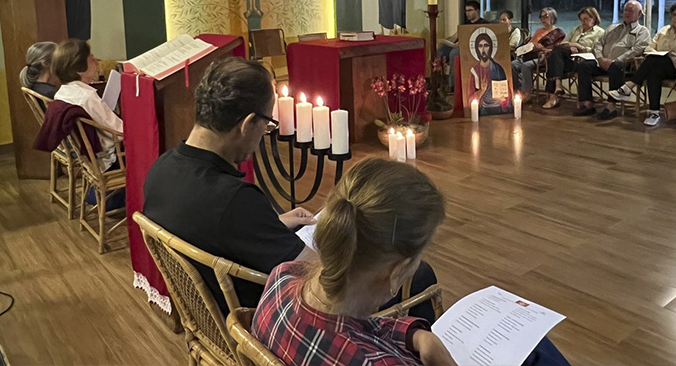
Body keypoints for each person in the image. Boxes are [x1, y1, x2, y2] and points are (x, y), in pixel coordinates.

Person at [252, 158, 572, 366]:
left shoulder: (283, 278)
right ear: (397, 272)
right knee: (536, 352)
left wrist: (414, 335)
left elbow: (357, 325)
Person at [144, 58, 318, 313]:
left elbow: (210, 229)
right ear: (247, 124)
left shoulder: (161, 168)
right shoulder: (234, 199)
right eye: (266, 125)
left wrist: (272, 225)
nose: (263, 134)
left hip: (207, 314)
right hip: (255, 317)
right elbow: (316, 273)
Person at [609, 2, 676, 127]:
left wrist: (673, 53)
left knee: (656, 61)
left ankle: (629, 86)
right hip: (658, 65)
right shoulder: (664, 30)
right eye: (673, 15)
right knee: (654, 71)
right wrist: (657, 53)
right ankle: (654, 113)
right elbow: (649, 47)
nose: (675, 18)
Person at [573, 0, 651, 120]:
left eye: (631, 11)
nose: (626, 13)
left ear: (639, 14)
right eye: (625, 10)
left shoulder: (642, 31)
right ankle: (587, 104)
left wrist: (615, 60)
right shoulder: (613, 28)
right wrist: (600, 58)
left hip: (624, 66)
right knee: (584, 66)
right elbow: (599, 43)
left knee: (617, 65)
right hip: (602, 62)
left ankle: (611, 107)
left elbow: (637, 50)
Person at [52, 39, 122, 171]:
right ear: (80, 69)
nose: (97, 62)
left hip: (87, 158)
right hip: (110, 160)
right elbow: (119, 132)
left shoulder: (61, 93)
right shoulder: (88, 97)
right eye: (92, 59)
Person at [542, 6, 605, 109]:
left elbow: (595, 50)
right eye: (581, 19)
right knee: (554, 56)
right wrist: (571, 46)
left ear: (593, 19)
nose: (583, 22)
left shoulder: (600, 32)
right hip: (569, 59)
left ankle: (554, 94)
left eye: (586, 19)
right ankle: (556, 88)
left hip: (584, 62)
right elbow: (563, 43)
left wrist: (578, 46)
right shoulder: (576, 29)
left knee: (554, 57)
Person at [511, 7, 564, 100]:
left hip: (543, 57)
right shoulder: (539, 30)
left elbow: (557, 49)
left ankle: (527, 93)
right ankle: (517, 90)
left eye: (546, 16)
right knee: (513, 64)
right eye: (541, 17)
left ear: (552, 17)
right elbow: (530, 43)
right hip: (530, 54)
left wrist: (542, 48)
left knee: (526, 66)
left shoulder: (558, 32)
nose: (543, 19)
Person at [437, 0, 487, 90]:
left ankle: (453, 85)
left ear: (477, 11)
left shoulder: (484, 23)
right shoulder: (464, 24)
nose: (467, 13)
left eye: (470, 10)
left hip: (472, 48)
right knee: (440, 52)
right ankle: (438, 83)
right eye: (466, 11)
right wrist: (443, 41)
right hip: (459, 45)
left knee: (454, 53)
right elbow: (455, 37)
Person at [468, 31, 512, 115]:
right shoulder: (474, 71)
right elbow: (469, 99)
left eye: (486, 46)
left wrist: (503, 100)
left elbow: (506, 94)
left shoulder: (498, 69)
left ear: (491, 48)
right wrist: (482, 91)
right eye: (480, 46)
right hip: (482, 109)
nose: (483, 50)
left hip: (498, 107)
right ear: (477, 49)